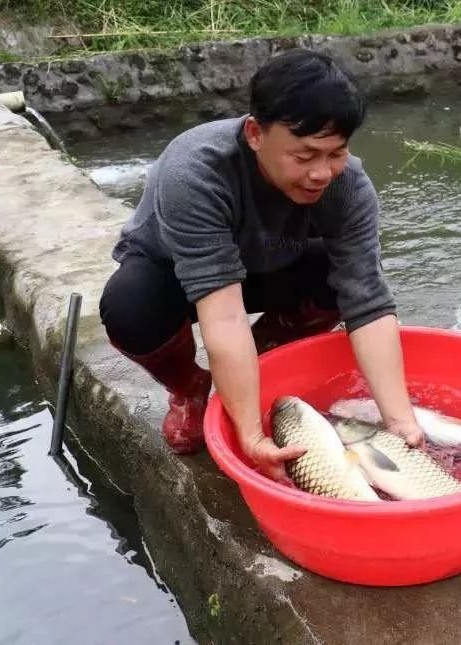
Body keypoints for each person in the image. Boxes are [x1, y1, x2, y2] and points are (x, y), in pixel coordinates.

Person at [98, 48, 424, 483]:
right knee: (129, 305)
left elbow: (369, 301)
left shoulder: (348, 186)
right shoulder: (195, 171)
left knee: (338, 276)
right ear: (254, 133)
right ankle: (190, 387)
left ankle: (268, 358)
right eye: (304, 156)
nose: (322, 174)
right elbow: (224, 312)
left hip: (270, 265)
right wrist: (251, 435)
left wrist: (399, 418)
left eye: (336, 153)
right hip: (177, 276)